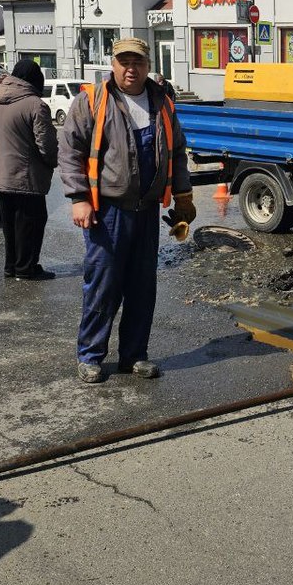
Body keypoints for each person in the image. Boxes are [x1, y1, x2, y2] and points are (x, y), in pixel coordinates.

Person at [59, 38, 195, 384]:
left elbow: (177, 152)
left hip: (146, 211)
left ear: (148, 65)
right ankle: (90, 355)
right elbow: (71, 150)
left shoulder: (161, 103)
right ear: (113, 65)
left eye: (138, 63)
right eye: (124, 62)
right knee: (103, 285)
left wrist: (183, 197)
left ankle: (134, 355)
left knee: (141, 287)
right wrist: (78, 197)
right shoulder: (92, 100)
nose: (131, 69)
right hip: (108, 213)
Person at [0, 59, 58, 280]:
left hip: (2, 175)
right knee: (31, 223)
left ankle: (11, 267)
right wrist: (52, 161)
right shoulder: (36, 105)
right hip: (28, 177)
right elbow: (45, 144)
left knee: (9, 225)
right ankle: (26, 267)